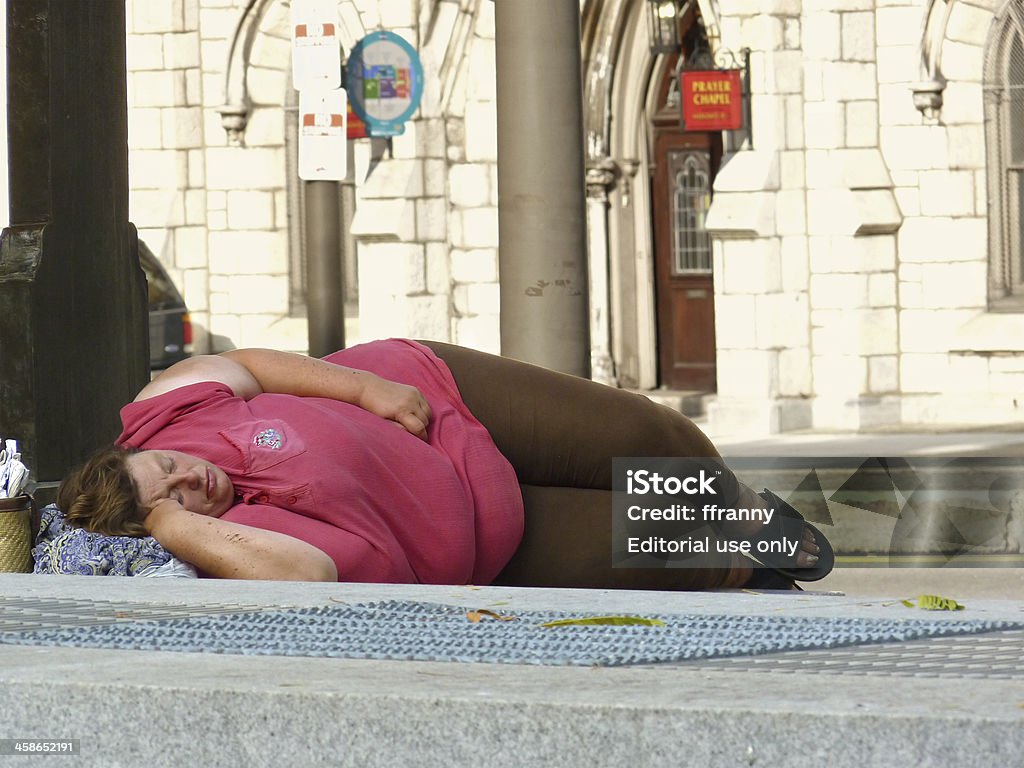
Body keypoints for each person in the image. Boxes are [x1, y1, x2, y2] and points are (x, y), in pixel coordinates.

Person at [57, 338, 832, 589]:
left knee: (651, 437)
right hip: (495, 536)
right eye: (178, 498)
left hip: (438, 394)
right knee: (674, 544)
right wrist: (165, 516)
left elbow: (247, 366)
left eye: (169, 466)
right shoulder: (245, 545)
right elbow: (309, 577)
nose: (190, 478)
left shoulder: (165, 410)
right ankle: (744, 550)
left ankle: (738, 499)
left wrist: (364, 385)